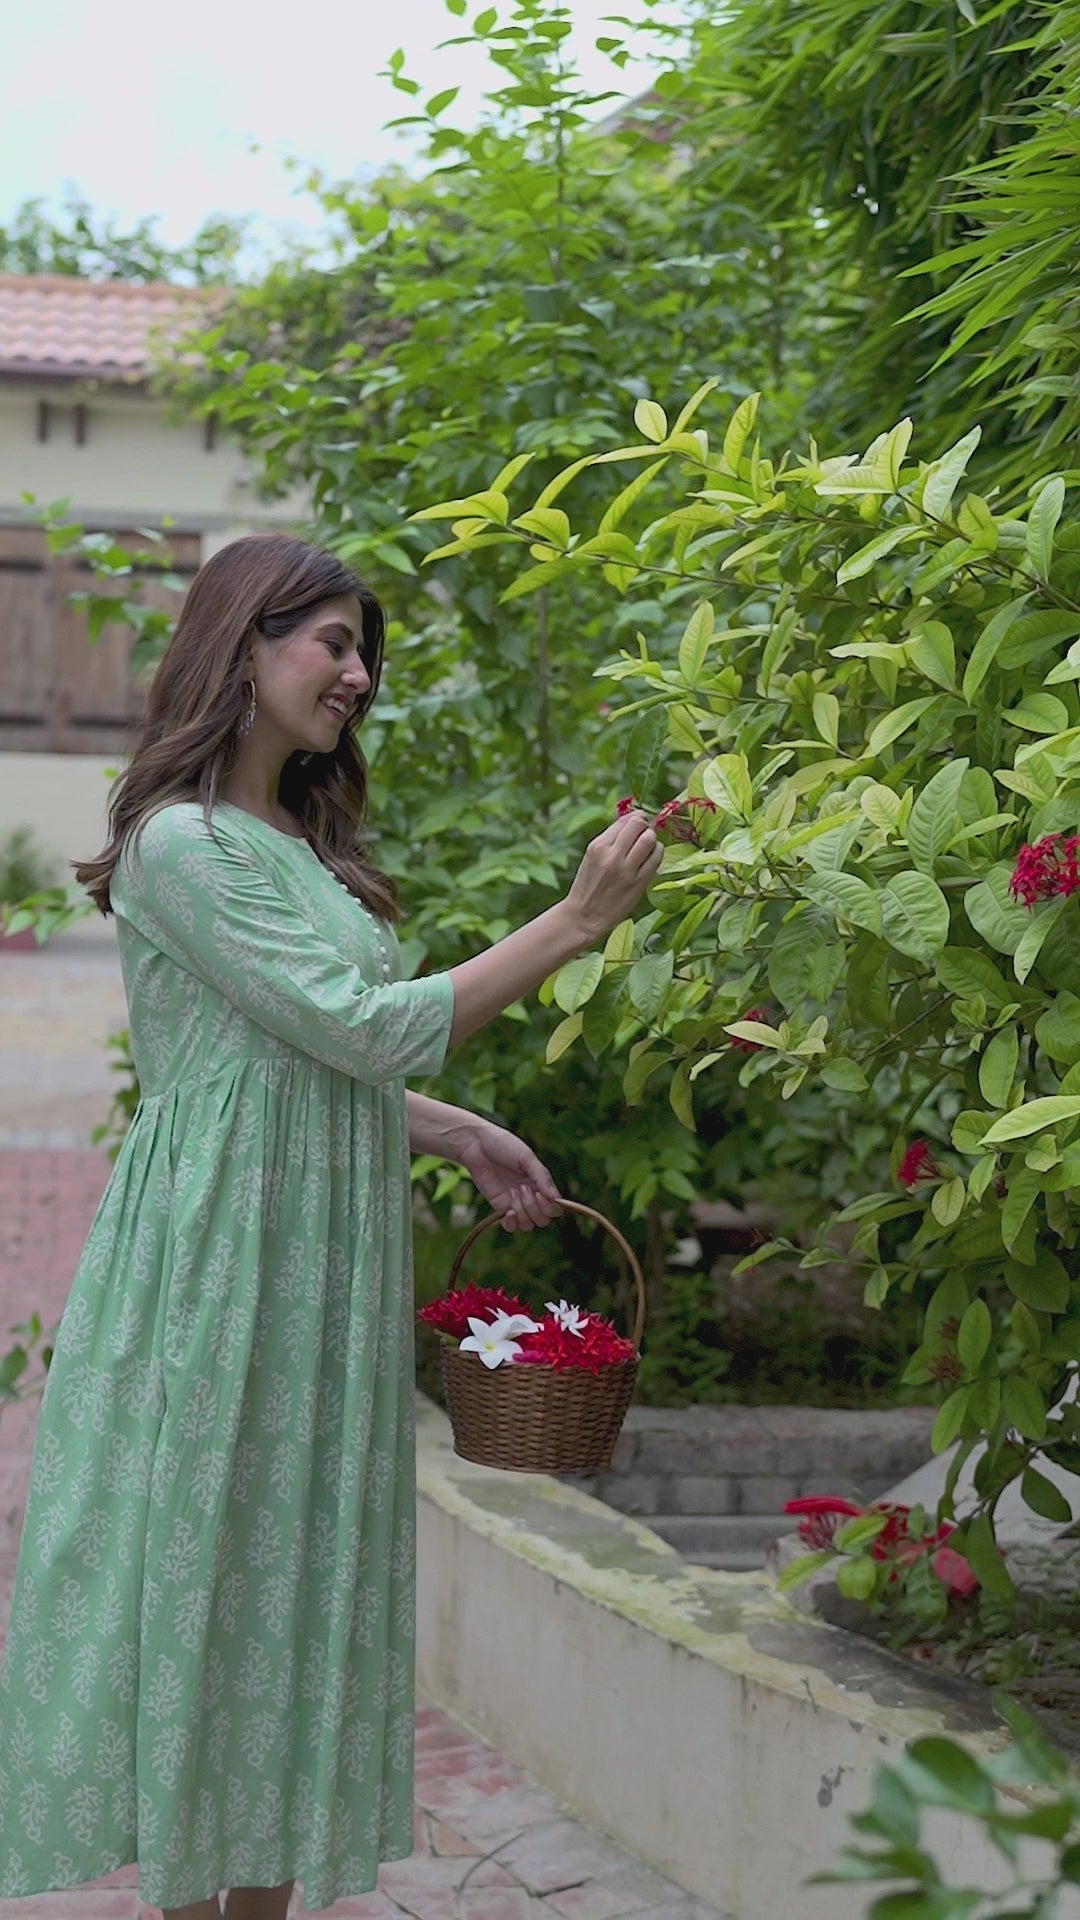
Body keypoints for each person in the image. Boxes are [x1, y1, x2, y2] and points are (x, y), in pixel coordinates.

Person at [0, 533, 662, 1920]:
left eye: (365, 652)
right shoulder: (183, 844)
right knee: (219, 1608)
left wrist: (457, 1129)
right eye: (333, 644)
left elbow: (295, 1058)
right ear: (244, 643)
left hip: (313, 1273)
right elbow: (358, 1025)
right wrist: (577, 919)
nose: (358, 675)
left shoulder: (297, 844)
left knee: (292, 1612)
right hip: (222, 1275)